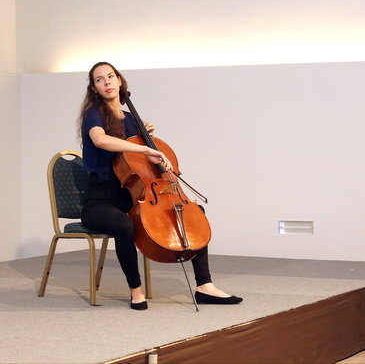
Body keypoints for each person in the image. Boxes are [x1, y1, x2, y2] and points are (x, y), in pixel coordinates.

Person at [78, 61, 242, 310]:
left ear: (120, 81)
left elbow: (141, 166)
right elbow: (100, 140)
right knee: (123, 225)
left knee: (194, 213)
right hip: (100, 200)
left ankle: (204, 286)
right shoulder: (94, 114)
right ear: (94, 88)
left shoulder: (133, 120)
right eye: (99, 79)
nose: (107, 82)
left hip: (133, 197)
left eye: (111, 76)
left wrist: (147, 139)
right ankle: (136, 290)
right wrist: (143, 146)